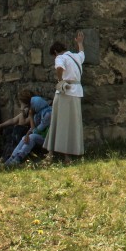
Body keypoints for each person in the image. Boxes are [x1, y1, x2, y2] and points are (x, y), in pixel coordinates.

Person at [46, 31, 86, 162]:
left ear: (56, 52)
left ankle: (54, 154)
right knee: (72, 124)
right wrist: (80, 43)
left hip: (65, 91)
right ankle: (66, 155)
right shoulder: (75, 57)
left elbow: (59, 67)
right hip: (76, 92)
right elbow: (82, 53)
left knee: (59, 122)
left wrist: (60, 80)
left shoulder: (60, 58)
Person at [4, 90, 52, 166]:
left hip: (48, 138)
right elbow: (33, 129)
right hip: (41, 135)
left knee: (32, 137)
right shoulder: (38, 114)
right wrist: (27, 134)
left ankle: (19, 158)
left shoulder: (48, 114)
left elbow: (38, 130)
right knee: (24, 138)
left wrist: (31, 117)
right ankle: (11, 158)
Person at [0, 91, 34, 162]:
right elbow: (13, 120)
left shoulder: (31, 111)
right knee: (8, 130)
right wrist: (0, 125)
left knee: (18, 129)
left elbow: (22, 123)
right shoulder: (25, 111)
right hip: (20, 134)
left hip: (27, 133)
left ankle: (10, 156)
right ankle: (5, 155)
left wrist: (22, 110)